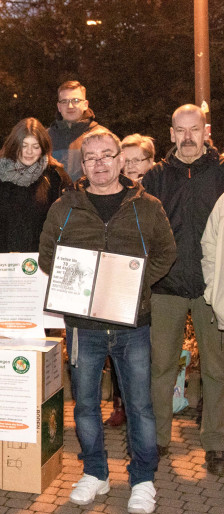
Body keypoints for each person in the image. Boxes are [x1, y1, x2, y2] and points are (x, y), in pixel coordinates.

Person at [39, 126, 176, 514]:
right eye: (91, 157)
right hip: (84, 326)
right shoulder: (65, 206)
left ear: (121, 160)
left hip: (134, 324)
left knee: (140, 405)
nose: (99, 164)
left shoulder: (147, 206)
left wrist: (131, 285)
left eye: (106, 156)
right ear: (83, 164)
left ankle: (143, 479)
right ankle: (95, 473)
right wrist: (80, 284)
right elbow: (48, 254)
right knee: (84, 404)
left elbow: (166, 252)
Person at [142, 104, 224, 475]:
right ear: (171, 133)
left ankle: (215, 443)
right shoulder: (156, 177)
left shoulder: (221, 173)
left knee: (217, 370)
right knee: (160, 367)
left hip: (212, 289)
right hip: (166, 287)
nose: (188, 137)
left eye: (195, 130)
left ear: (206, 132)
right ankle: (157, 440)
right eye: (181, 130)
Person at [103, 134, 157, 428]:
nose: (133, 166)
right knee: (119, 347)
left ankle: (149, 406)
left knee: (149, 351)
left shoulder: (158, 193)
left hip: (155, 281)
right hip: (120, 282)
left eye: (139, 159)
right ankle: (121, 404)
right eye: (127, 160)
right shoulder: (114, 193)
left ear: (151, 162)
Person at [0, 117, 70, 253]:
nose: (29, 152)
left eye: (35, 147)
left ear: (43, 148)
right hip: (2, 261)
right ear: (14, 145)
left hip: (41, 260)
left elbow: (66, 223)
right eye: (24, 145)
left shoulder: (56, 177)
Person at [48, 80, 99, 182]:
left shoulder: (101, 136)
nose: (70, 106)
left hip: (87, 197)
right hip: (54, 198)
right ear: (59, 106)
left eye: (75, 100)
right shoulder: (45, 137)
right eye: (64, 101)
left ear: (85, 104)